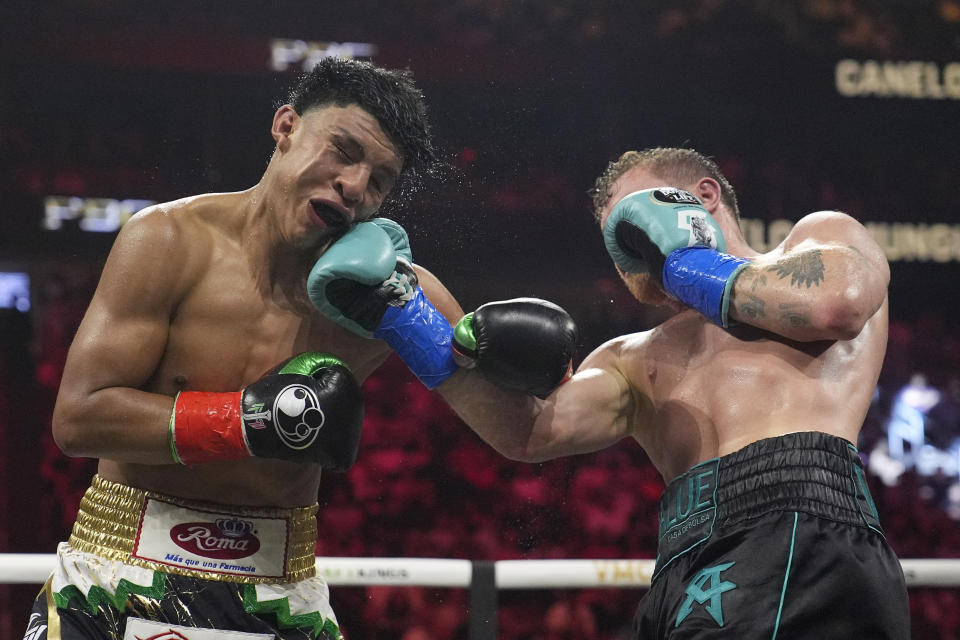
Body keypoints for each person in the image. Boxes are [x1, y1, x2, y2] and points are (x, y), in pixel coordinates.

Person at [25, 57, 577, 640]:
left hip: (278, 594)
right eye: (343, 150)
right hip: (117, 574)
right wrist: (245, 422)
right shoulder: (168, 241)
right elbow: (78, 419)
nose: (356, 186)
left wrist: (501, 353)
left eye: (381, 179)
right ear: (285, 126)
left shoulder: (393, 294)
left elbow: (518, 434)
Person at [466, 147, 910, 638]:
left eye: (637, 225)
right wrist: (414, 320)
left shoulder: (818, 239)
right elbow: (530, 432)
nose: (631, 254)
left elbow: (838, 306)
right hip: (681, 566)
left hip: (799, 531)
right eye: (620, 243)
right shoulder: (631, 356)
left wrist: (687, 262)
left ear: (703, 196)